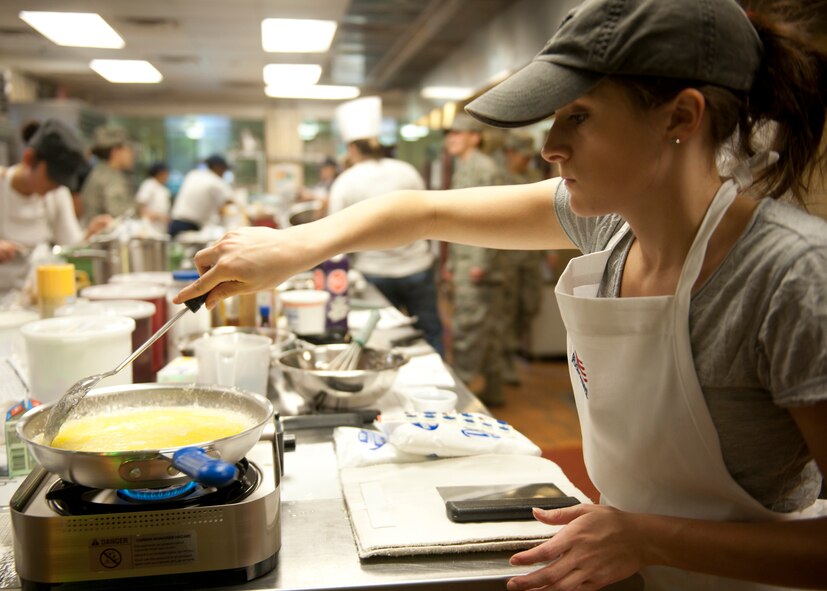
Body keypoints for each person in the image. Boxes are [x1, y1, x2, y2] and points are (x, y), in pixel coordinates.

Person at [175, 0, 827, 588]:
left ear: (679, 117)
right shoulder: (611, 224)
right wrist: (294, 246)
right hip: (624, 566)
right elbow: (421, 210)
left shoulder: (791, 280)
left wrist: (644, 533)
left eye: (578, 116)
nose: (548, 146)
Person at [327, 133, 444, 356]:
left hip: (374, 271)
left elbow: (336, 233)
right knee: (430, 333)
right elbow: (429, 214)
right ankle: (443, 385)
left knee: (382, 337)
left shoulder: (347, 180)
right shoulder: (406, 171)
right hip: (417, 266)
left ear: (352, 149)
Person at [0, 119, 110, 291]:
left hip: (40, 297)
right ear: (29, 159)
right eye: (52, 178)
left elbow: (70, 247)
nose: (55, 186)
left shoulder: (57, 194)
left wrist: (90, 233)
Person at [443, 112, 506, 405]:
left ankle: (461, 399)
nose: (451, 139)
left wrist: (480, 262)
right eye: (450, 134)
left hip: (478, 265)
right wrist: (452, 263)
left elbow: (494, 218)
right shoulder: (463, 166)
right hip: (465, 259)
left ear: (474, 137)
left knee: (468, 329)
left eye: (458, 133)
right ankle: (494, 393)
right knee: (486, 329)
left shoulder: (485, 168)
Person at [500, 131, 546, 384]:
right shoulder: (500, 178)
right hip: (506, 260)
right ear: (510, 153)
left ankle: (515, 349)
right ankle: (506, 360)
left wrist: (549, 251)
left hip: (531, 258)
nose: (527, 161)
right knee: (505, 311)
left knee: (529, 306)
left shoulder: (533, 176)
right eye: (522, 156)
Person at [168, 155, 235, 238]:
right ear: (218, 167)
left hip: (174, 224)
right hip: (190, 228)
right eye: (224, 169)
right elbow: (230, 202)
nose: (224, 173)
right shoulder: (216, 181)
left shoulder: (193, 174)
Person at [80, 125, 135, 222]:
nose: (132, 155)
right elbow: (118, 213)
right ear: (116, 152)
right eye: (128, 150)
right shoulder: (109, 178)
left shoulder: (104, 172)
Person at [135, 161, 171, 234]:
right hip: (149, 228)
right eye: (166, 173)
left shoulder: (164, 189)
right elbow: (140, 207)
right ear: (160, 173)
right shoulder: (149, 184)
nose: (168, 176)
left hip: (161, 229)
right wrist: (158, 216)